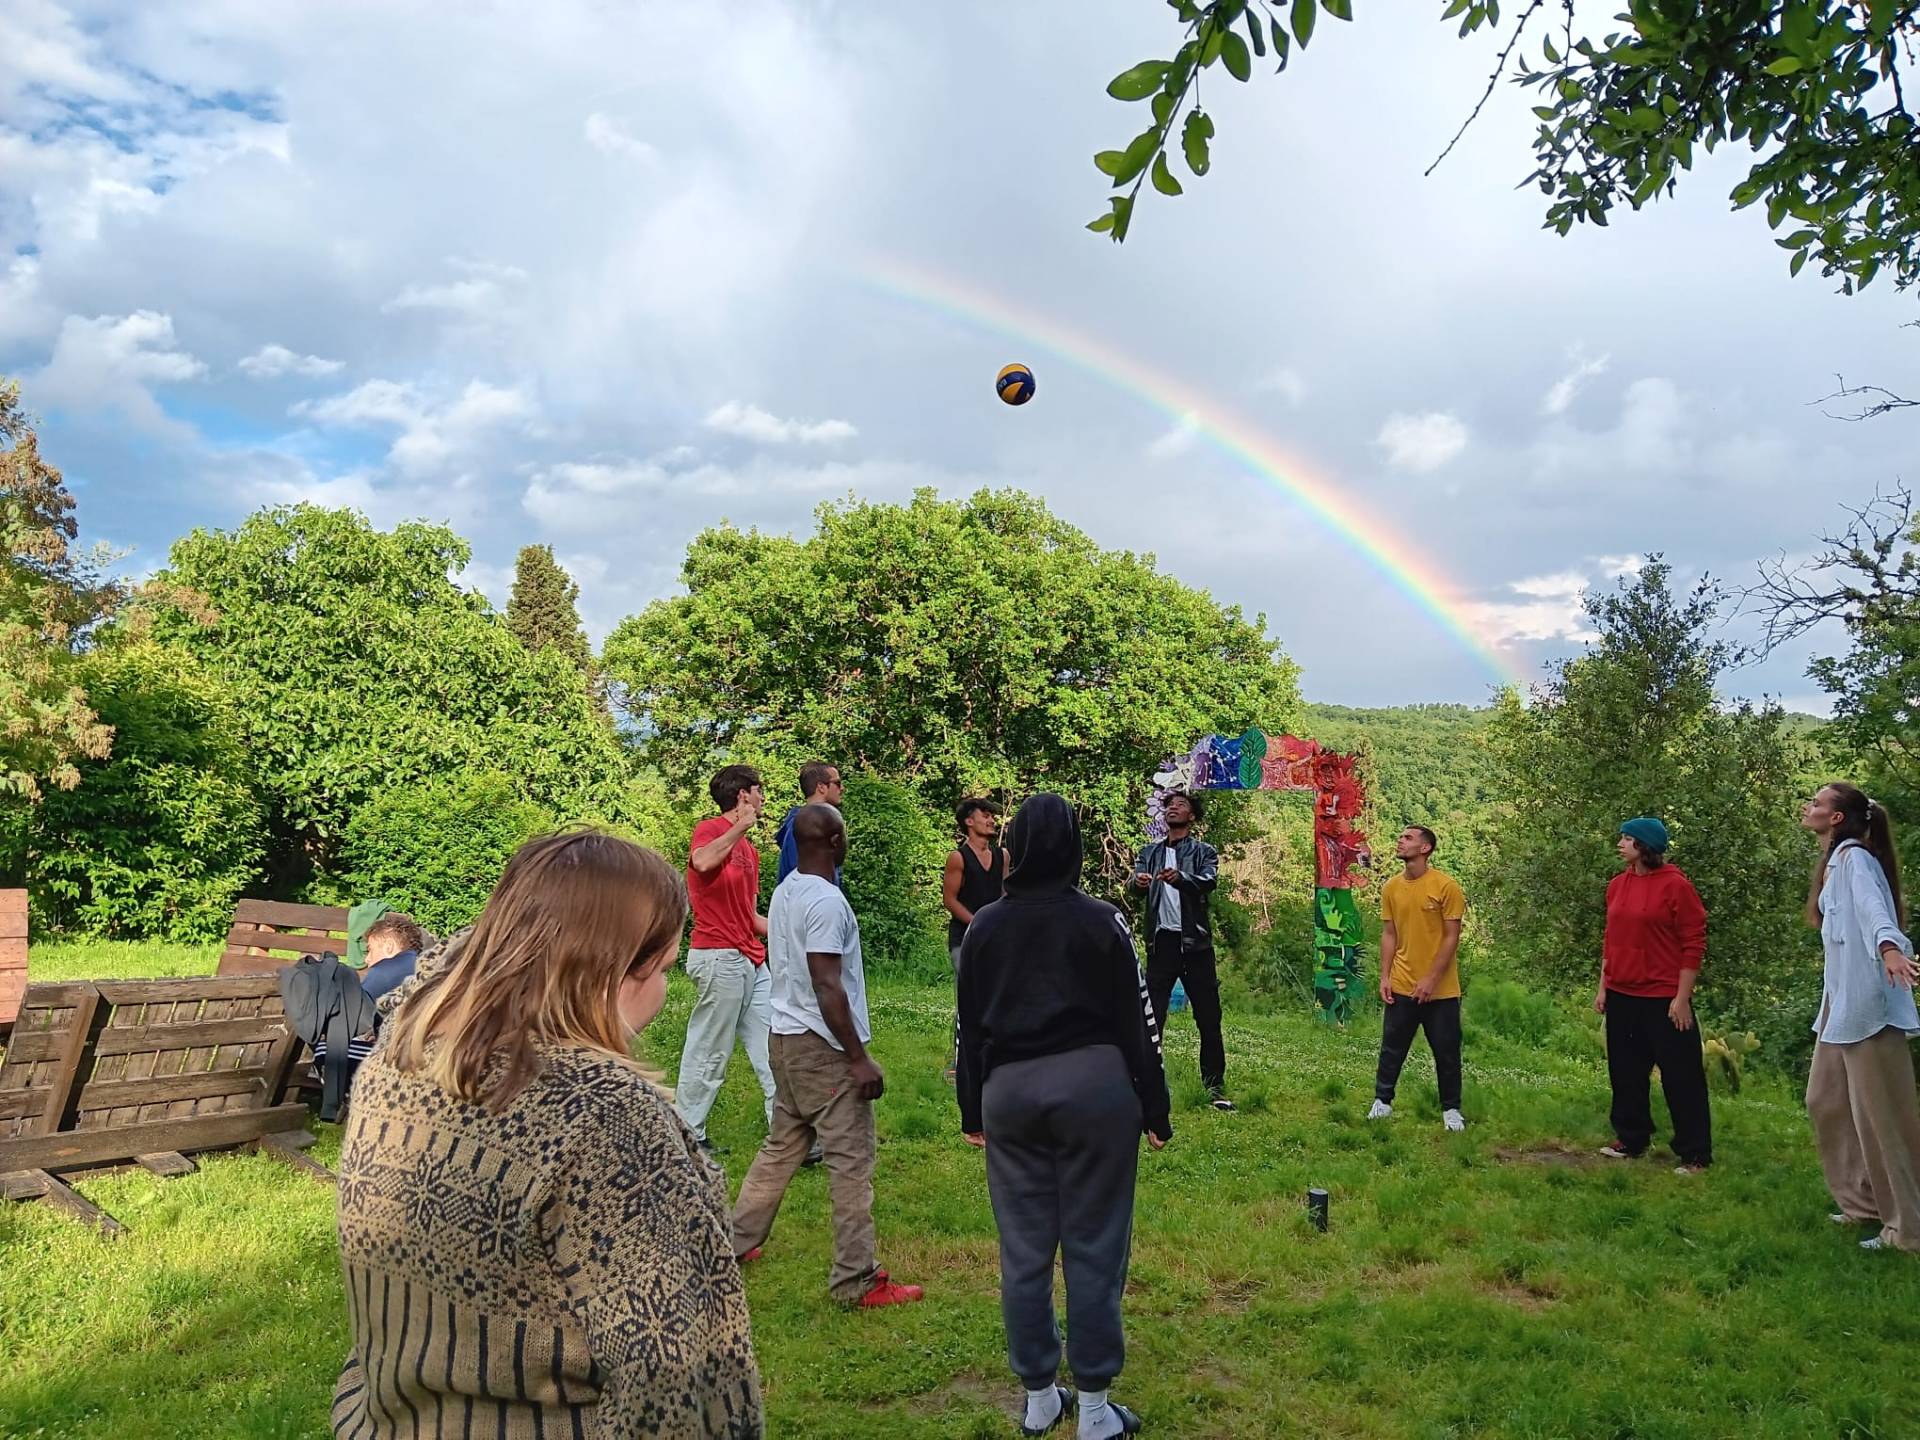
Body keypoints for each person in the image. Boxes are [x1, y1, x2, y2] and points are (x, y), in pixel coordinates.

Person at [333, 831, 763, 1439]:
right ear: (612, 970)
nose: (665, 991)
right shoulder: (603, 1115)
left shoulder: (399, 1055)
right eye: (664, 968)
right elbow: (673, 1379)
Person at [959, 793, 1170, 1440]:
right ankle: (1097, 1411)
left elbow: (969, 1027)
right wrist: (1155, 1105)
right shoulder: (1103, 921)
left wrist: (971, 1109)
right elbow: (1139, 1019)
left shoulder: (985, 926)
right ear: (1073, 848)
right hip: (1094, 1089)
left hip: (1010, 1093)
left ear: (1016, 847)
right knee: (1095, 1245)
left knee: (1023, 1250)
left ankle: (1039, 1397)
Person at [732, 804, 924, 1308]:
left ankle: (732, 1243)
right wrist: (857, 1057)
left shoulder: (785, 890)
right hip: (823, 1048)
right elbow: (826, 983)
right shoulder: (826, 901)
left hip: (783, 1039)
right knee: (850, 1163)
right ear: (836, 842)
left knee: (781, 1147)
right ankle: (856, 1279)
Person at [1801, 782, 1920, 1252]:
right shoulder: (1837, 863)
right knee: (1825, 1100)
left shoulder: (1856, 861)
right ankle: (1863, 1202)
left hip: (1870, 1003)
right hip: (1842, 1003)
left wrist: (1889, 948)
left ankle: (1908, 1229)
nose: (1808, 807)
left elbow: (1875, 910)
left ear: (1836, 818)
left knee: (1883, 1118)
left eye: (1817, 802)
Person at [1594, 816, 1712, 1173]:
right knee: (1625, 1071)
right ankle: (1632, 1139)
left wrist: (1682, 998)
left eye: (1627, 839)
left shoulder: (1676, 886)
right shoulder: (1617, 885)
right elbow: (1611, 939)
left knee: (1681, 1076)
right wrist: (1603, 987)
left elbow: (1693, 942)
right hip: (1622, 992)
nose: (1620, 844)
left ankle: (1695, 1154)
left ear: (1644, 846)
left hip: (1663, 996)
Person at [676, 764, 778, 1156]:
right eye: (759, 791)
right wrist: (741, 827)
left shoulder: (749, 850)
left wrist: (795, 932)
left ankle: (789, 1135)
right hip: (718, 956)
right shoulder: (711, 830)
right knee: (710, 1049)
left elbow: (750, 917)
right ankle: (688, 1135)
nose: (762, 798)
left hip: (751, 958)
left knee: (775, 1044)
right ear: (743, 795)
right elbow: (702, 862)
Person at [1133, 791, 1234, 1112]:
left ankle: (1214, 1088)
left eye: (1180, 805)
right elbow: (1133, 887)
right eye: (1169, 806)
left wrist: (1181, 879)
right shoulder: (1149, 852)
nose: (1172, 809)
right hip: (1161, 943)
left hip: (1195, 944)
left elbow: (1208, 881)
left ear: (1191, 817)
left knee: (1208, 1018)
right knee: (1151, 1018)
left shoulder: (1204, 851)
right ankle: (1146, 1086)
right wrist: (1138, 883)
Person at [1368, 826, 1468, 1131]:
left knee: (1446, 1052)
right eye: (1401, 836)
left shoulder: (1446, 887)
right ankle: (1382, 1102)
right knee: (1392, 1048)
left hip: (1441, 990)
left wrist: (1431, 979)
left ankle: (1451, 1110)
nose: (1400, 840)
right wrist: (1385, 976)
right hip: (1401, 983)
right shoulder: (1391, 888)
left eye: (1408, 838)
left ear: (1425, 848)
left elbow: (1451, 937)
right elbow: (1389, 934)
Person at [309, 912, 427, 1082]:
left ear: (389, 946)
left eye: (370, 949)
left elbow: (351, 1016)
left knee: (324, 1050)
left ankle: (344, 1095)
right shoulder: (422, 966)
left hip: (401, 1058)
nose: (367, 959)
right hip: (425, 1049)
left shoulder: (385, 971)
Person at [942, 797, 1005, 1081]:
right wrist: (978, 923)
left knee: (997, 994)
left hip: (995, 938)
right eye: (985, 815)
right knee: (969, 996)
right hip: (964, 939)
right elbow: (950, 899)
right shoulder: (958, 858)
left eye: (993, 816)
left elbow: (1005, 894)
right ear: (969, 822)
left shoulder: (1003, 856)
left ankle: (994, 1055)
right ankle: (960, 1064)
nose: (991, 820)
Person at [774, 761, 845, 884]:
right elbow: (802, 882)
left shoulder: (819, 824)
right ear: (821, 787)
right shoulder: (799, 828)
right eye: (837, 783)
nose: (842, 788)